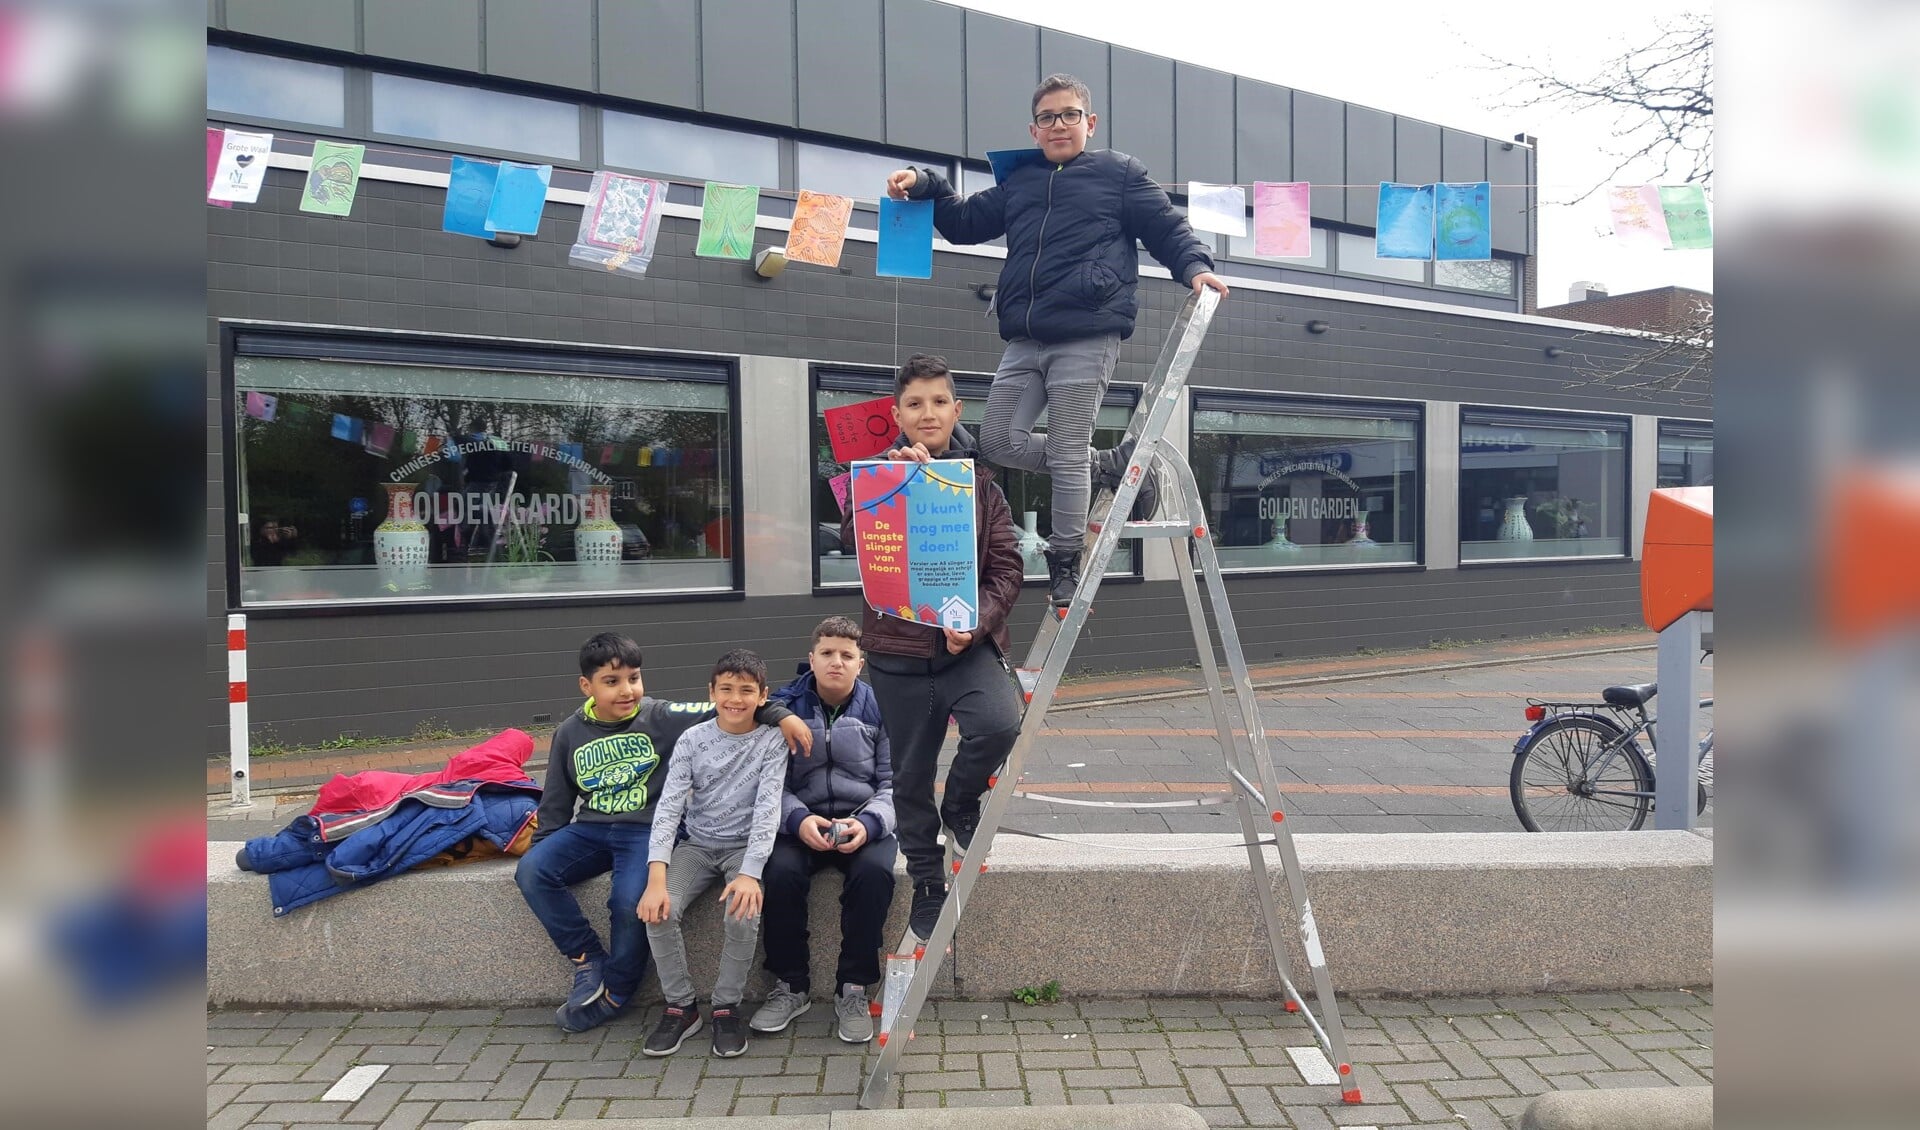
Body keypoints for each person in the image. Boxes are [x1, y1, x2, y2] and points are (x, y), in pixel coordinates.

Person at [887, 72, 1229, 606]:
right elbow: (961, 222)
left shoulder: (1118, 174)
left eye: (1069, 114)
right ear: (1034, 128)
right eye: (1048, 117)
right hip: (1025, 337)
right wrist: (926, 183)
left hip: (1088, 332)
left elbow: (1166, 227)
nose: (1058, 125)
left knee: (1066, 449)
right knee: (997, 442)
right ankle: (1108, 466)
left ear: (1088, 123)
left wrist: (1196, 268)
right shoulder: (1020, 182)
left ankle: (1065, 556)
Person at [514, 633, 809, 1035]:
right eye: (612, 681)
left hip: (644, 831)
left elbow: (730, 705)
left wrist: (780, 714)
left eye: (634, 678)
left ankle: (618, 990)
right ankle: (587, 959)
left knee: (629, 901)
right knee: (531, 871)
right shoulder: (570, 731)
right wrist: (547, 849)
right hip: (590, 830)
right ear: (587, 686)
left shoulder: (664, 715)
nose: (627, 690)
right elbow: (555, 802)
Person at [843, 355, 1024, 942]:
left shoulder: (983, 485)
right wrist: (891, 487)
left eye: (938, 402)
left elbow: (1007, 569)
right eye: (915, 404)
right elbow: (853, 541)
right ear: (897, 414)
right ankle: (926, 879)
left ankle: (964, 804)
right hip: (896, 657)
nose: (928, 414)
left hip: (965, 650)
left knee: (1000, 723)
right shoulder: (875, 475)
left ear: (956, 409)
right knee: (910, 776)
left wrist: (976, 623)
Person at [749, 616, 896, 1043]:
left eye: (846, 655)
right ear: (811, 659)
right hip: (802, 821)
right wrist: (798, 819)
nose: (836, 662)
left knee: (874, 876)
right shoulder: (783, 707)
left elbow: (896, 784)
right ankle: (791, 985)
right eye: (827, 654)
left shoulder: (881, 707)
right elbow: (768, 783)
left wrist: (868, 824)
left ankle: (853, 988)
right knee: (779, 873)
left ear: (861, 663)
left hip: (862, 821)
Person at [638, 649, 790, 1059]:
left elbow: (768, 807)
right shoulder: (693, 739)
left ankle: (726, 1007)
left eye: (746, 690)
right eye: (726, 689)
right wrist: (656, 878)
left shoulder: (772, 740)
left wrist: (751, 872)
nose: (735, 699)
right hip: (698, 846)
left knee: (742, 912)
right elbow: (669, 806)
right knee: (660, 911)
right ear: (711, 692)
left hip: (744, 850)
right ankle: (682, 1007)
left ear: (763, 696)